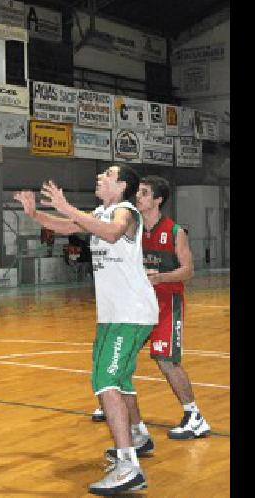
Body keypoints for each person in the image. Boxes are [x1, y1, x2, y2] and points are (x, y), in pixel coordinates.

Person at [13, 164, 157, 495]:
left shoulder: (126, 211)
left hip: (130, 313)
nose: (99, 178)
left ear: (121, 186)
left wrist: (67, 207)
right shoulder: (100, 211)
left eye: (107, 175)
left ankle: (128, 467)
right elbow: (65, 226)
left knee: (105, 382)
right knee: (117, 380)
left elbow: (110, 232)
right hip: (113, 315)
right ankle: (137, 435)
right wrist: (36, 214)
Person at [91, 176, 210, 441]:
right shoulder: (132, 225)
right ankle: (112, 400)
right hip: (137, 304)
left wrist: (161, 277)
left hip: (167, 303)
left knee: (166, 359)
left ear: (158, 200)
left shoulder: (175, 231)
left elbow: (188, 270)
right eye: (138, 193)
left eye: (145, 194)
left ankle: (194, 416)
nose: (138, 197)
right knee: (121, 352)